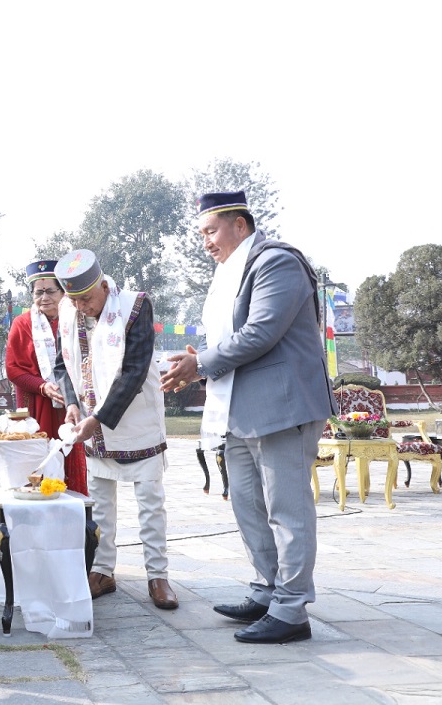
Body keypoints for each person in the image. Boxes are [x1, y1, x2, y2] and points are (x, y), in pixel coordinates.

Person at [160, 191, 335, 644]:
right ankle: (267, 589)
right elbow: (234, 338)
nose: (206, 243)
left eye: (211, 231)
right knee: (248, 507)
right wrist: (197, 361)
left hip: (282, 407)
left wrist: (199, 365)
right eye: (201, 234)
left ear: (240, 224)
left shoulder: (276, 262)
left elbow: (261, 332)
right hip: (236, 408)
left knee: (287, 511)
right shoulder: (228, 274)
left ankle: (292, 609)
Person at [52, 249, 178, 610]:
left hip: (135, 421)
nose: (81, 307)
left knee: (150, 504)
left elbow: (135, 370)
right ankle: (102, 571)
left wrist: (98, 419)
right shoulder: (69, 311)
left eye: (87, 299)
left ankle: (158, 576)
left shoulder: (135, 306)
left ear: (104, 286)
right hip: (93, 424)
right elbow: (64, 362)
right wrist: (73, 402)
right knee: (100, 504)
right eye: (73, 300)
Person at [5, 259, 88, 494]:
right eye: (38, 292)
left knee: (69, 454)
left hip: (70, 402)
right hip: (35, 405)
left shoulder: (75, 320)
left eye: (50, 291)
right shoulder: (22, 324)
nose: (44, 298)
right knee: (37, 462)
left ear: (63, 292)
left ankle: (74, 513)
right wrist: (42, 386)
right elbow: (13, 368)